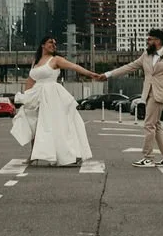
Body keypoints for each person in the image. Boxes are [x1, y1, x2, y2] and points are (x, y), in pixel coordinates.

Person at [99, 28, 163, 168]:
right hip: (147, 94)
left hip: (159, 95)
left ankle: (148, 157)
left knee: (149, 125)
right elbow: (129, 67)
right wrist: (108, 74)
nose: (147, 41)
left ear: (158, 41)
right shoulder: (145, 56)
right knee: (156, 126)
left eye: (150, 39)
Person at [10, 35, 99, 167]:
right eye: (50, 42)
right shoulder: (36, 60)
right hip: (36, 94)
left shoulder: (56, 60)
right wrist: (26, 97)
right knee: (33, 123)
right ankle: (34, 154)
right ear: (43, 45)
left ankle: (71, 154)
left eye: (55, 43)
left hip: (52, 95)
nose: (53, 45)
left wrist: (92, 74)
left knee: (58, 125)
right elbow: (30, 80)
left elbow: (74, 67)